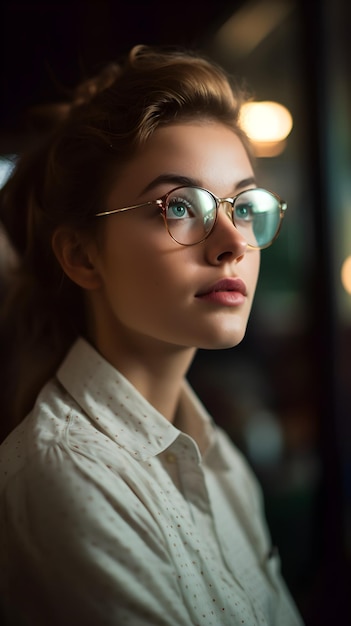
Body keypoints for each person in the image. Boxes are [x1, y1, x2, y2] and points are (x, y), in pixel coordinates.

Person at [0, 44, 303, 625]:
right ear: (83, 256)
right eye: (181, 206)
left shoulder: (220, 461)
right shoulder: (69, 475)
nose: (233, 243)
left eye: (244, 206)